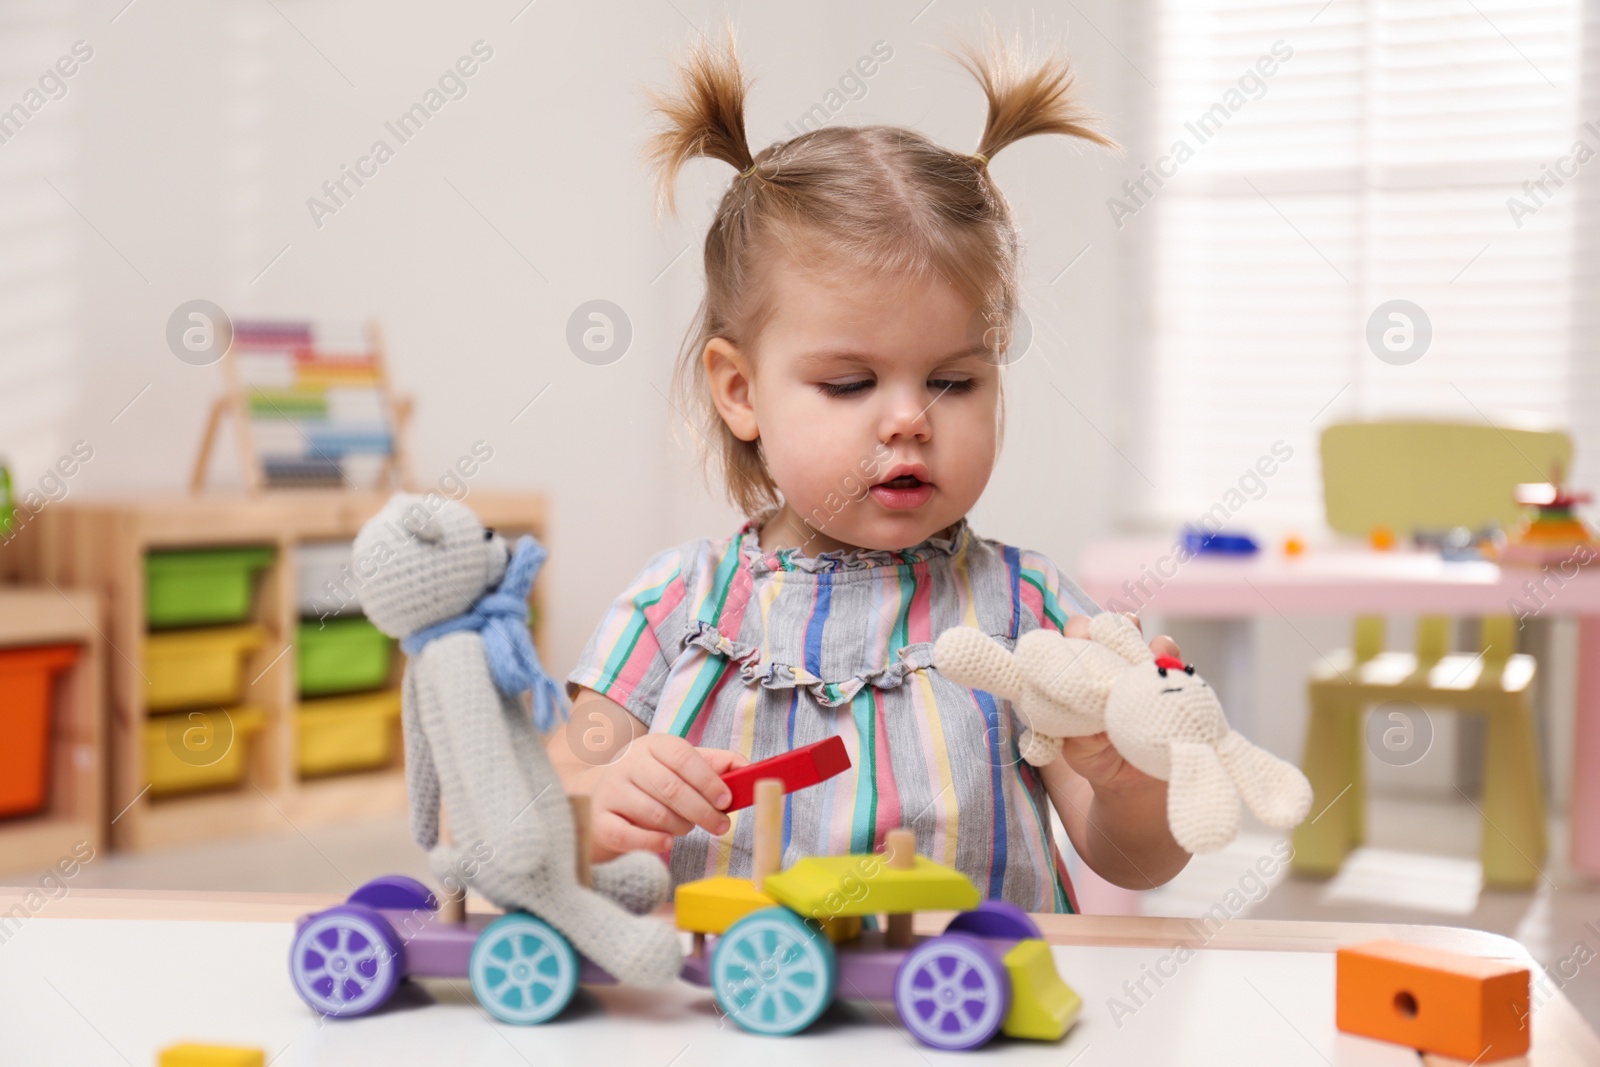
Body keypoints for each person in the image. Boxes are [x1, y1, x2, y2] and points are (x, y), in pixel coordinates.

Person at [548, 29, 1190, 912]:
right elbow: (537, 806)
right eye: (850, 383)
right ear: (741, 391)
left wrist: (1127, 782)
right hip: (736, 1019)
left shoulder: (1034, 618)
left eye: (955, 381)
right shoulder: (677, 609)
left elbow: (1135, 863)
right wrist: (602, 798)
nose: (910, 419)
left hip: (972, 1021)